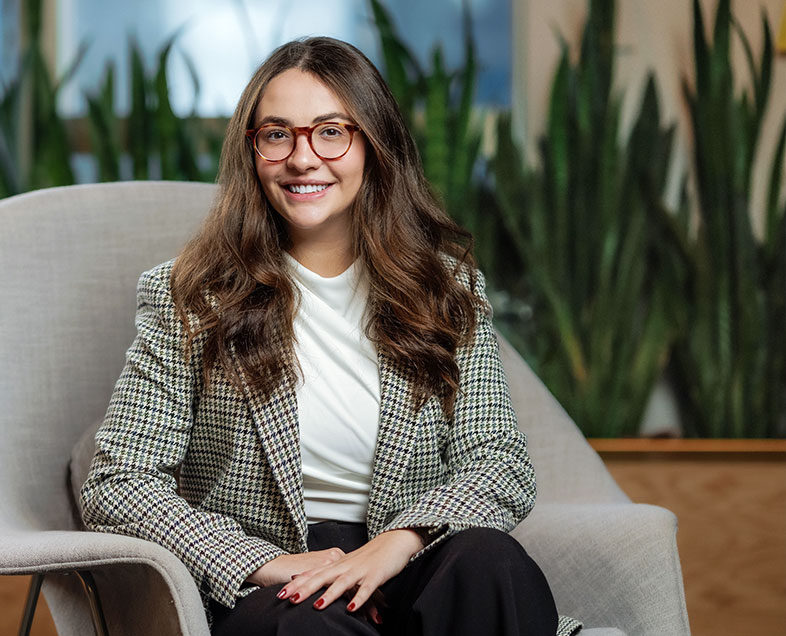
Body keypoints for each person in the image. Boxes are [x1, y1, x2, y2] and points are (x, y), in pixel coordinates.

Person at [80, 37, 581, 636]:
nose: (302, 157)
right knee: (311, 628)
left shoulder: (447, 289)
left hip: (414, 555)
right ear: (252, 150)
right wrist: (260, 562)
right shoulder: (189, 297)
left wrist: (401, 541)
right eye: (276, 134)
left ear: (373, 144)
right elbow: (119, 480)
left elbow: (499, 461)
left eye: (331, 131)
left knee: (491, 562)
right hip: (277, 583)